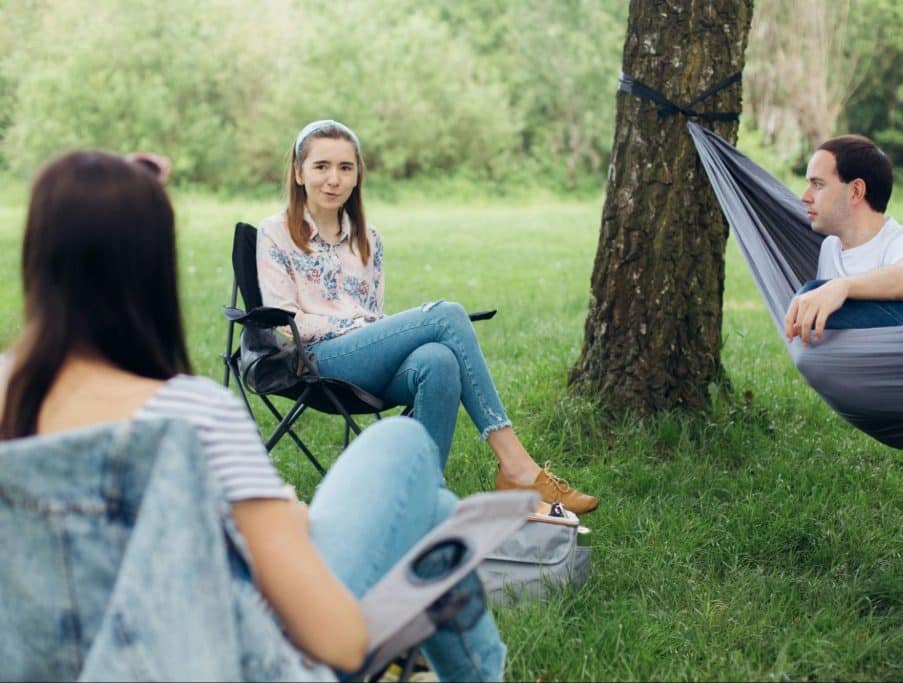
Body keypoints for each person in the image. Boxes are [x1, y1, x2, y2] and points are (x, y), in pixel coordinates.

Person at [0, 150, 506, 681]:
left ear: (35, 259)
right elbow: (339, 641)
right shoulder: (188, 418)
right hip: (238, 663)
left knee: (433, 505)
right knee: (403, 447)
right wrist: (281, 525)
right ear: (154, 272)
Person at [256, 119, 599, 514]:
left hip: (368, 357)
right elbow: (285, 320)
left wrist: (371, 329)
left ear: (357, 175)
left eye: (345, 168)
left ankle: (423, 496)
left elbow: (373, 310)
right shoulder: (275, 232)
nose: (333, 179)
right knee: (446, 315)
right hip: (315, 359)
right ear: (299, 172)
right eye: (321, 166)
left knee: (439, 360)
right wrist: (357, 327)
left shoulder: (368, 238)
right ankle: (517, 467)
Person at [784, 134, 903, 346]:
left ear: (856, 191)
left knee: (812, 296)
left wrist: (840, 287)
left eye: (818, 185)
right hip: (886, 352)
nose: (804, 196)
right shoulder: (830, 247)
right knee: (813, 304)